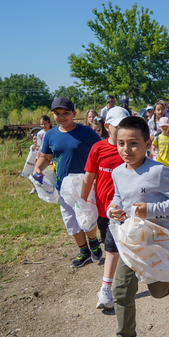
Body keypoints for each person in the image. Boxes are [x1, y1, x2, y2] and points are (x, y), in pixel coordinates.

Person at [99, 116, 169, 337]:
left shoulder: (159, 171)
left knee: (158, 291)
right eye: (120, 143)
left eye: (133, 143)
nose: (126, 150)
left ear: (148, 142)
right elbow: (118, 198)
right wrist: (113, 211)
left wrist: (149, 210)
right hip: (130, 243)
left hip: (158, 244)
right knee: (121, 291)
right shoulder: (118, 172)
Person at [33, 97, 103, 268]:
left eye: (65, 113)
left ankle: (93, 241)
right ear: (53, 115)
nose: (61, 117)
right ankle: (84, 251)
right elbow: (45, 157)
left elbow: (101, 151)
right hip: (63, 185)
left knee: (86, 215)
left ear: (74, 113)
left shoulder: (86, 132)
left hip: (85, 182)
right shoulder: (50, 135)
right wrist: (37, 169)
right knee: (70, 220)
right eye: (57, 114)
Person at [81, 107, 130, 310]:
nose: (122, 129)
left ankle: (108, 287)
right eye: (118, 126)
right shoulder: (98, 148)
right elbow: (89, 176)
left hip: (126, 210)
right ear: (107, 127)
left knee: (114, 247)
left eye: (125, 125)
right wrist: (83, 204)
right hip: (103, 209)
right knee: (110, 244)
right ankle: (120, 278)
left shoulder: (130, 149)